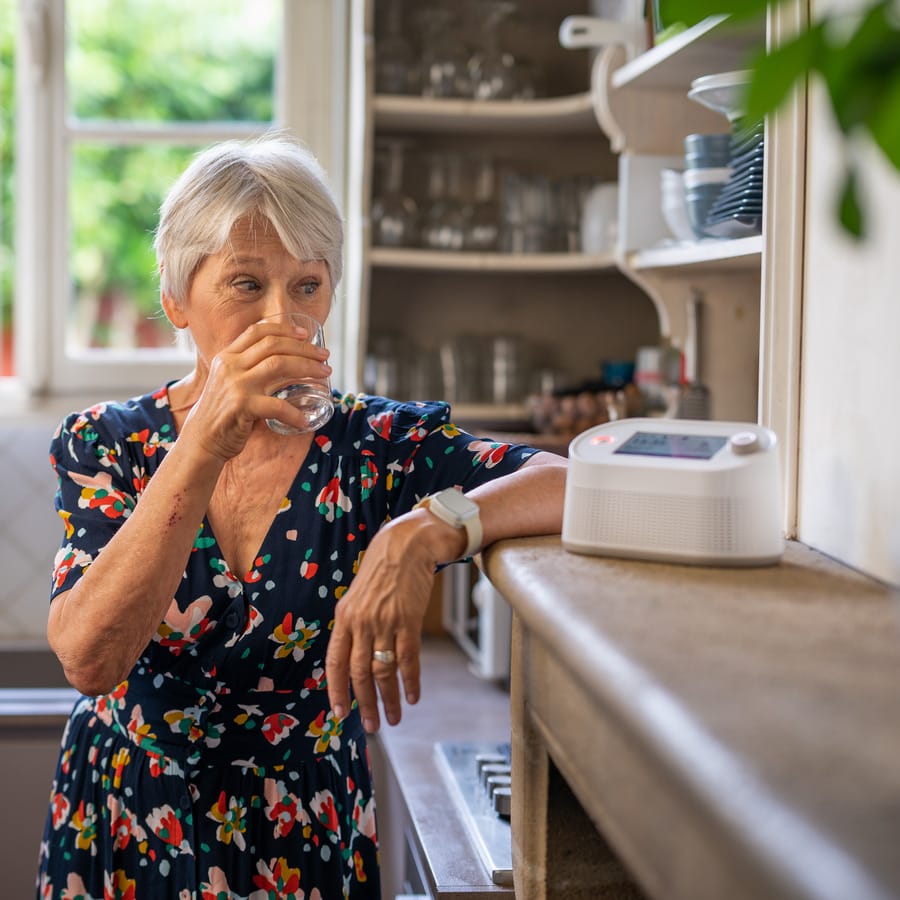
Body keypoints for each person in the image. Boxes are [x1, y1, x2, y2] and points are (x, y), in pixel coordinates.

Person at [37, 134, 567, 898]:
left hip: (302, 828)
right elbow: (88, 660)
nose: (284, 319)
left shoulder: (374, 445)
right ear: (177, 298)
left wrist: (423, 530)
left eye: (308, 287)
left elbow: (569, 480)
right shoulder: (105, 446)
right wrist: (204, 444)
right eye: (247, 284)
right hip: (127, 819)